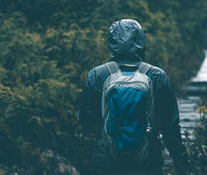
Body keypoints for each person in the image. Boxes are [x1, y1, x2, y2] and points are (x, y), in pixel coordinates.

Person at [78, 19, 190, 175]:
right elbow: (170, 127)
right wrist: (182, 165)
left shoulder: (97, 75)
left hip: (105, 163)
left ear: (111, 42)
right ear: (141, 41)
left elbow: (86, 121)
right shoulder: (157, 76)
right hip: (148, 163)